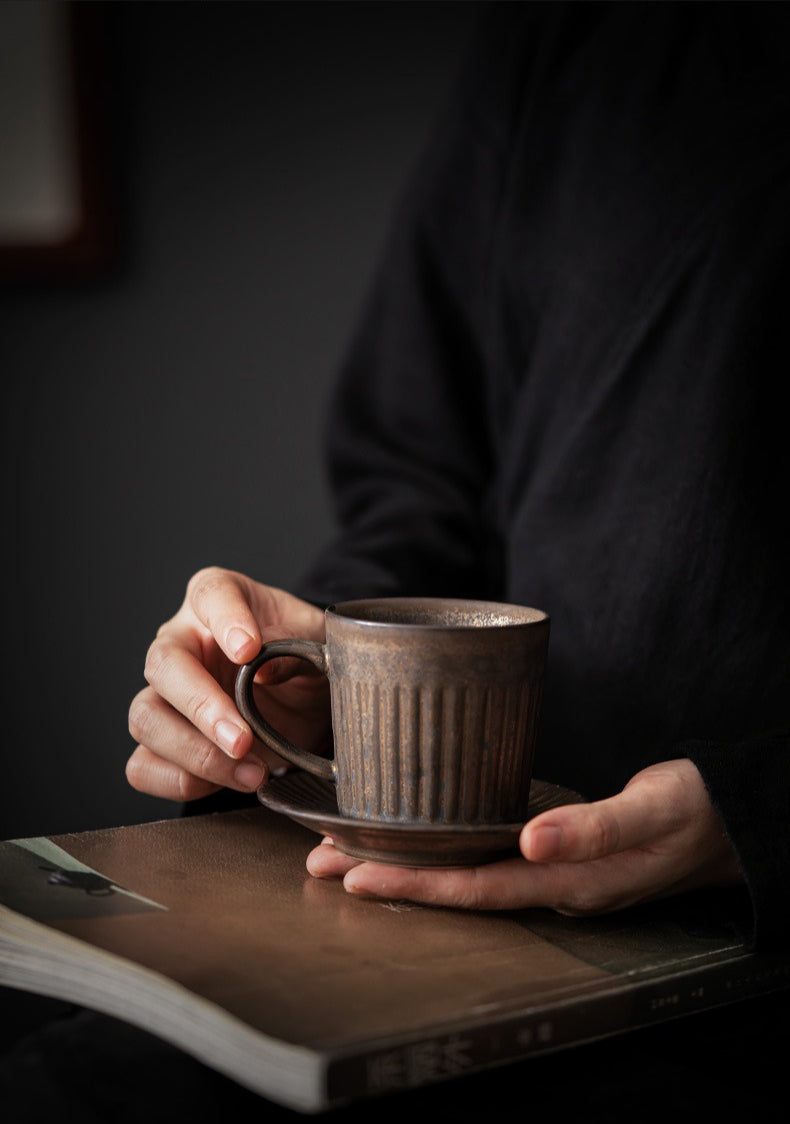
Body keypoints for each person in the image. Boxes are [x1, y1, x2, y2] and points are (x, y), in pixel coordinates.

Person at [126, 0, 789, 953]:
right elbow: (421, 479)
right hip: (438, 896)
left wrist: (760, 817)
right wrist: (317, 687)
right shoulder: (568, 34)